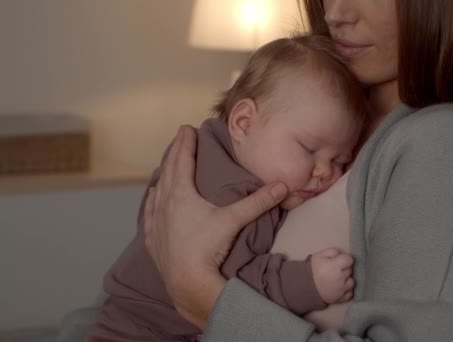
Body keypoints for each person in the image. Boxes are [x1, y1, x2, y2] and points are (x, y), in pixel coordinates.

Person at [60, 0, 453, 341]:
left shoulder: (451, 140)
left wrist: (203, 295)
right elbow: (128, 289)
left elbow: (184, 280)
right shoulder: (316, 109)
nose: (336, 12)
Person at [85, 35, 369, 341]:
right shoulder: (227, 195)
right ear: (244, 122)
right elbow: (233, 292)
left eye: (340, 160)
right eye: (309, 148)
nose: (326, 171)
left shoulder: (205, 151)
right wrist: (307, 282)